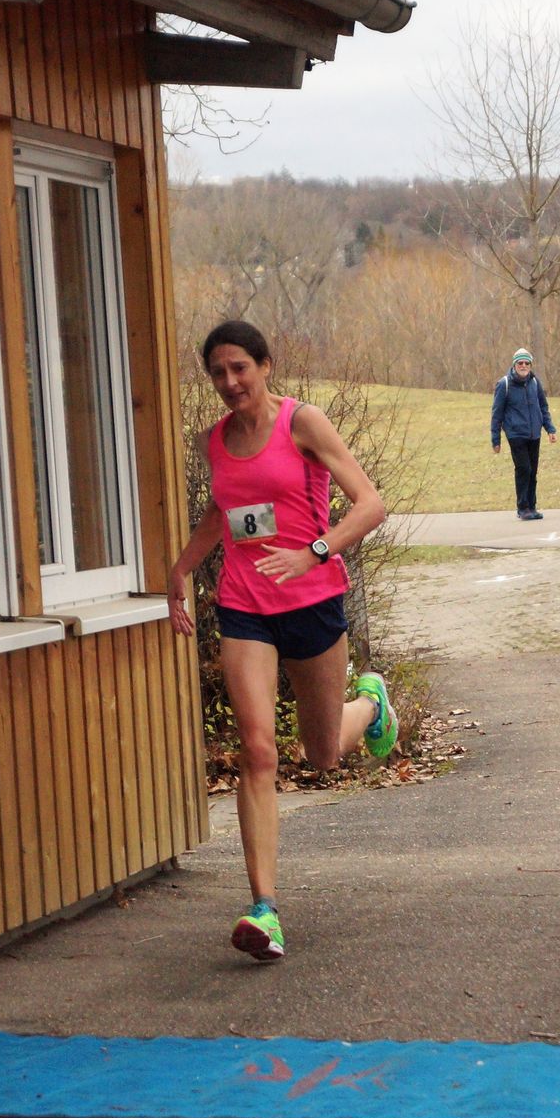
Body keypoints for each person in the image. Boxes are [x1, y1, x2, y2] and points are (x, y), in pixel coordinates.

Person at [167, 320, 395, 963]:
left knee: (321, 755)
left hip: (313, 603)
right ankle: (263, 909)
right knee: (258, 749)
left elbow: (370, 505)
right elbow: (222, 510)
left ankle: (370, 705)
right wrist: (182, 568)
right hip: (245, 608)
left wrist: (312, 551)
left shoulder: (304, 423)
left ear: (265, 366)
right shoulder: (214, 440)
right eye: (218, 372)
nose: (229, 381)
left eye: (239, 367)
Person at [489, 349, 557, 520]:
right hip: (516, 434)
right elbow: (497, 414)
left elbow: (543, 407)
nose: (524, 366)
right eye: (520, 363)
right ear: (514, 365)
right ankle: (523, 507)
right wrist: (495, 440)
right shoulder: (504, 384)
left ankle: (532, 506)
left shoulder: (535, 382)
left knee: (532, 471)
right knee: (523, 469)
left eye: (527, 363)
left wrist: (550, 429)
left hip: (534, 434)